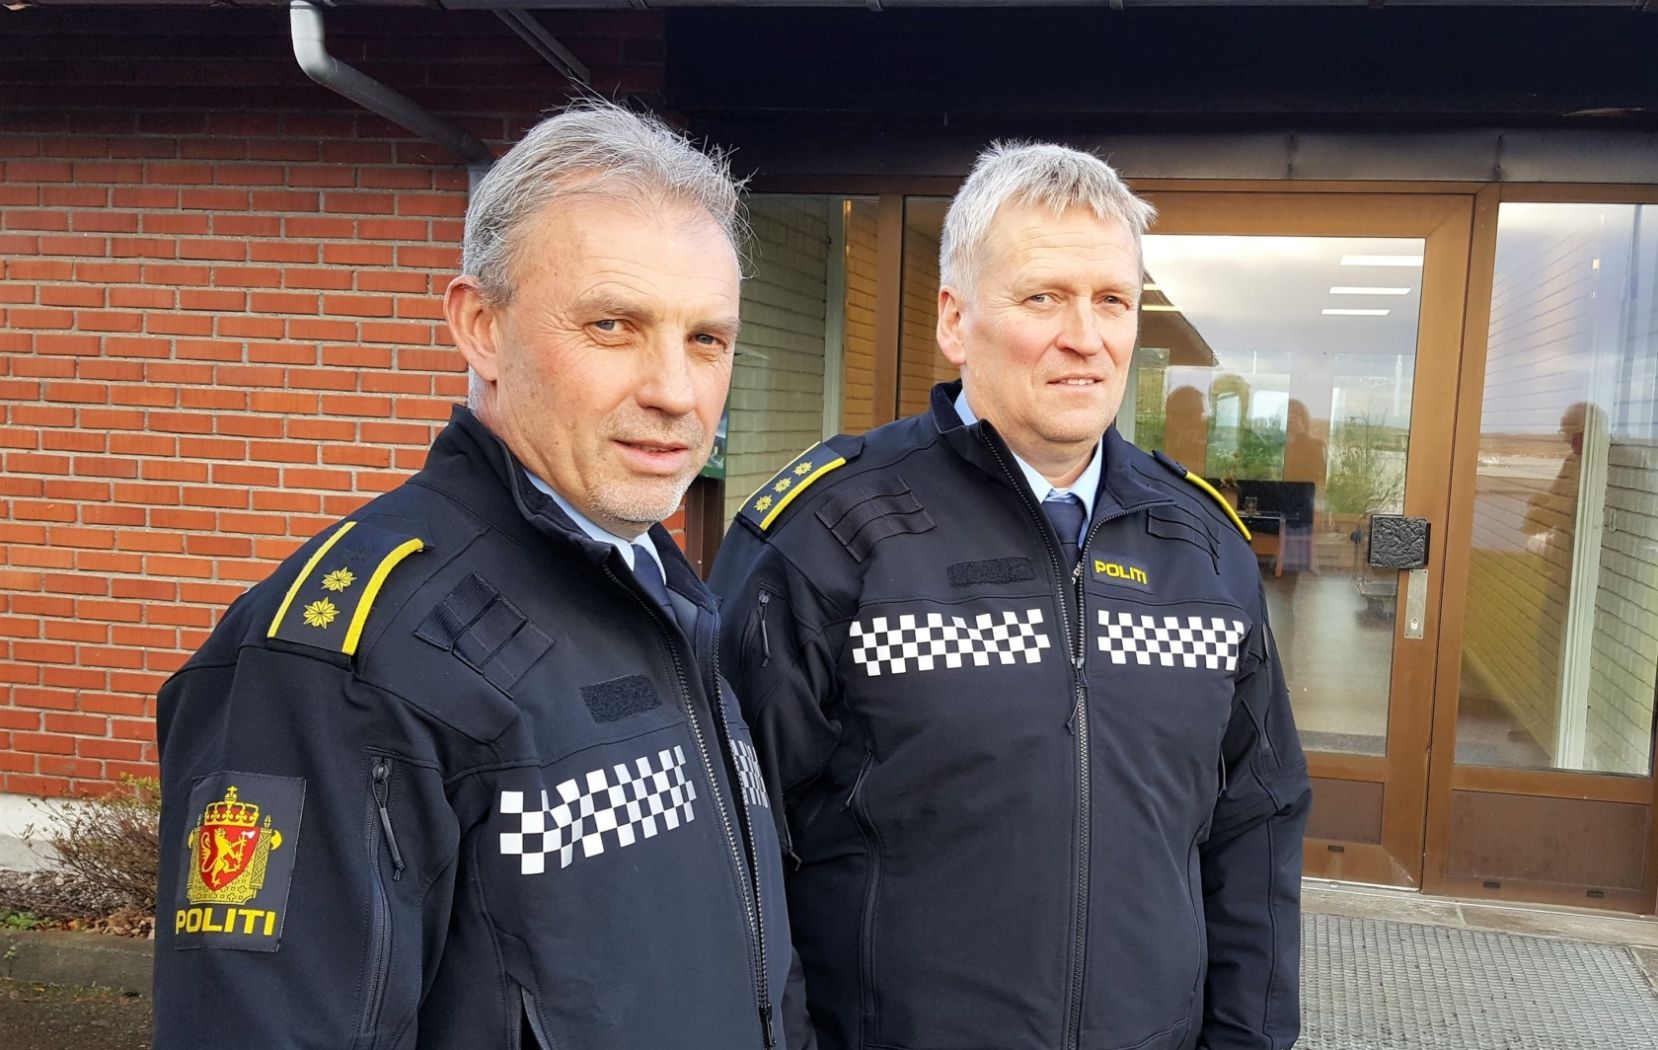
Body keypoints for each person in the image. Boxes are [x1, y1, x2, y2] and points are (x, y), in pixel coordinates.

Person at [153, 101, 793, 1049]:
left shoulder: (663, 590)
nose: (676, 390)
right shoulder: (352, 660)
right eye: (613, 324)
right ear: (481, 326)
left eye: (707, 339)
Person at [709, 142, 1310, 1050]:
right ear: (955, 321)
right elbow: (728, 848)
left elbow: (1258, 822)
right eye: (1043, 297)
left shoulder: (1201, 544)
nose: (1086, 336)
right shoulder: (827, 534)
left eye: (1112, 300)